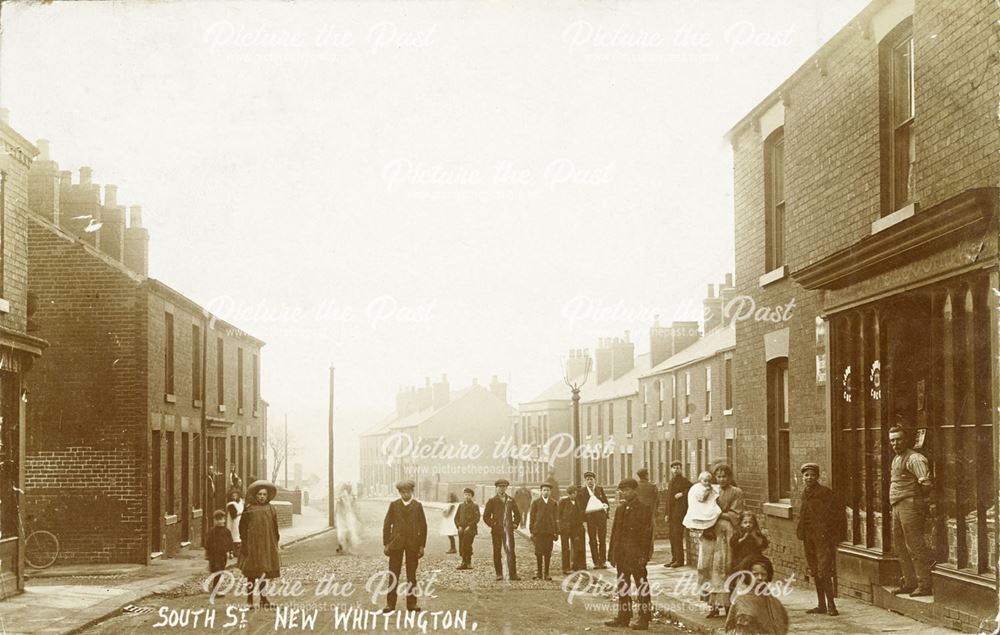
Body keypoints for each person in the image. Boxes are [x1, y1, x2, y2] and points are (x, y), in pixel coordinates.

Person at [887, 425, 934, 597]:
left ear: (906, 439)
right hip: (898, 506)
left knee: (915, 546)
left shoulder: (915, 458)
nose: (895, 443)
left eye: (898, 439)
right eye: (892, 440)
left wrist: (917, 501)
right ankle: (909, 582)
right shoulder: (896, 459)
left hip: (910, 505)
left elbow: (926, 484)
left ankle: (924, 585)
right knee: (900, 547)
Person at [603, 478, 653, 631]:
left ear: (634, 490)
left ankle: (644, 618)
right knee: (623, 586)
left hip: (637, 555)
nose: (624, 493)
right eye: (622, 490)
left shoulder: (644, 509)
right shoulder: (620, 509)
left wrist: (644, 556)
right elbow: (615, 534)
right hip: (622, 555)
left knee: (642, 586)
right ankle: (624, 616)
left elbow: (647, 535)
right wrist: (612, 554)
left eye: (627, 490)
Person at [797, 462, 844, 616]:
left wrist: (831, 535)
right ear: (802, 477)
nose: (809, 478)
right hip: (809, 538)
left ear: (817, 477)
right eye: (806, 475)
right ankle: (821, 605)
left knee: (823, 571)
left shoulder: (825, 493)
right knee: (815, 570)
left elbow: (835, 515)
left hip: (823, 538)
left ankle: (831, 605)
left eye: (812, 475)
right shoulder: (804, 493)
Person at [381, 479, 428, 612]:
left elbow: (423, 527)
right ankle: (390, 604)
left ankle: (411, 604)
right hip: (396, 544)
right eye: (402, 492)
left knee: (411, 575)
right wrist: (386, 543)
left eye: (407, 492)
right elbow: (386, 524)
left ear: (412, 491)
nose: (405, 494)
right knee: (393, 574)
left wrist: (422, 546)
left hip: (413, 544)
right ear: (399, 492)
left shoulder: (418, 506)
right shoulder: (394, 505)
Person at [239, 480, 281, 609]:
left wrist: (275, 540)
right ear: (255, 495)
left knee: (263, 572)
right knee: (251, 574)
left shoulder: (271, 508)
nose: (262, 497)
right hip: (253, 545)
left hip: (266, 545)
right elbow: (242, 527)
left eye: (264, 494)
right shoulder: (249, 509)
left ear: (267, 496)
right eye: (260, 494)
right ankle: (249, 600)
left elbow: (275, 527)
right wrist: (245, 543)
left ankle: (263, 599)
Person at [724, 556, 789, 635]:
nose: (760, 578)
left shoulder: (768, 597)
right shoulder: (744, 599)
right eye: (755, 574)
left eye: (764, 574)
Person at [483, 478, 521, 581]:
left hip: (508, 531)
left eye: (504, 487)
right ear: (496, 488)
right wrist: (493, 523)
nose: (501, 489)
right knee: (497, 551)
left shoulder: (511, 500)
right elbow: (486, 516)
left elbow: (517, 514)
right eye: (500, 487)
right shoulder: (492, 501)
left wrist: (515, 523)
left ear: (506, 488)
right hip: (496, 531)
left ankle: (513, 574)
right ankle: (499, 573)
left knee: (510, 552)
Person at [577, 471, 610, 569]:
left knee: (602, 539)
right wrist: (584, 517)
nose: (590, 481)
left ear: (595, 480)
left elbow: (605, 501)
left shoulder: (599, 489)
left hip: (601, 518)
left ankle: (603, 561)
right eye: (587, 480)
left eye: (591, 479)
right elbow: (581, 506)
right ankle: (596, 561)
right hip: (590, 519)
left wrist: (606, 509)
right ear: (585, 481)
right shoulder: (582, 491)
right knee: (592, 540)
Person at [729, 512, 769, 588]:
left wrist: (755, 536)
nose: (748, 524)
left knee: (765, 566)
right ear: (741, 524)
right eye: (745, 522)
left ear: (754, 524)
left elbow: (763, 545)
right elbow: (733, 544)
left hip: (755, 558)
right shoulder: (738, 534)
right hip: (740, 558)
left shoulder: (756, 533)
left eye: (750, 522)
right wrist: (743, 538)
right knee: (736, 573)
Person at [529, 483, 559, 580]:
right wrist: (532, 531)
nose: (546, 492)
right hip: (538, 531)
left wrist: (556, 532)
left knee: (547, 553)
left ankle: (546, 573)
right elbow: (532, 517)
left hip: (549, 532)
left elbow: (556, 518)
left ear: (550, 492)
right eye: (544, 490)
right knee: (538, 552)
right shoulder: (536, 503)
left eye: (548, 490)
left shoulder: (553, 503)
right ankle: (539, 573)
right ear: (541, 491)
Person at [665, 460, 692, 567]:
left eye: (678, 467)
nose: (676, 469)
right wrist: (666, 513)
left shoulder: (684, 481)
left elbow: (692, 488)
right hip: (672, 514)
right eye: (674, 468)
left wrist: (682, 493)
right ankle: (674, 558)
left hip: (679, 513)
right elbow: (668, 499)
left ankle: (679, 560)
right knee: (672, 536)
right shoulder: (671, 481)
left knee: (677, 536)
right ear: (671, 469)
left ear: (681, 469)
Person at [205, 510, 234, 597]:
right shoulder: (211, 531)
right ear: (214, 520)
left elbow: (230, 542)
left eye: (221, 519)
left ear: (224, 519)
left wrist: (231, 552)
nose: (219, 521)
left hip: (222, 555)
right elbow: (207, 543)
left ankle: (215, 589)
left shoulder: (226, 531)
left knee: (220, 571)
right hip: (214, 555)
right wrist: (208, 553)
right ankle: (215, 590)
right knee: (216, 571)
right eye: (217, 519)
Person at [558, 485, 586, 573]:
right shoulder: (563, 502)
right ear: (569, 494)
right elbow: (559, 515)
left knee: (577, 547)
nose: (574, 495)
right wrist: (561, 527)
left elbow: (581, 515)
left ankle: (576, 566)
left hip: (576, 529)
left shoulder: (578, 502)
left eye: (575, 493)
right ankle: (566, 568)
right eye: (572, 493)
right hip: (565, 529)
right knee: (566, 548)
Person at [454, 488, 480, 570]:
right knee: (462, 545)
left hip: (470, 530)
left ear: (472, 496)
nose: (467, 497)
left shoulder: (475, 506)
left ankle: (468, 562)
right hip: (461, 530)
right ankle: (463, 561)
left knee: (467, 545)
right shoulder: (461, 506)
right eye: (465, 495)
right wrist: (459, 526)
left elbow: (477, 518)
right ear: (463, 496)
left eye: (469, 495)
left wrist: (470, 526)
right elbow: (456, 518)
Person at [635, 468, 659, 553]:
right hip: (650, 514)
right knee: (649, 533)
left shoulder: (635, 487)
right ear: (646, 475)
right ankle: (649, 552)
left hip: (637, 515)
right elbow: (657, 500)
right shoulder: (652, 487)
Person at [335, 483, 360, 554]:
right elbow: (343, 505)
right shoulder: (342, 496)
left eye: (351, 488)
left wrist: (353, 500)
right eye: (349, 487)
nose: (350, 489)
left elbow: (350, 506)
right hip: (342, 516)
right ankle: (343, 548)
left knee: (349, 531)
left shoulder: (349, 496)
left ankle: (346, 548)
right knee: (343, 532)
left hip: (347, 515)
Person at [225, 488, 244, 558]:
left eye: (236, 495)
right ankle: (234, 551)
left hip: (240, 521)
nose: (235, 497)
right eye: (233, 496)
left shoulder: (241, 502)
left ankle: (238, 551)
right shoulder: (231, 504)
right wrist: (241, 513)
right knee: (234, 535)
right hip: (234, 522)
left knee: (239, 535)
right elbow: (233, 515)